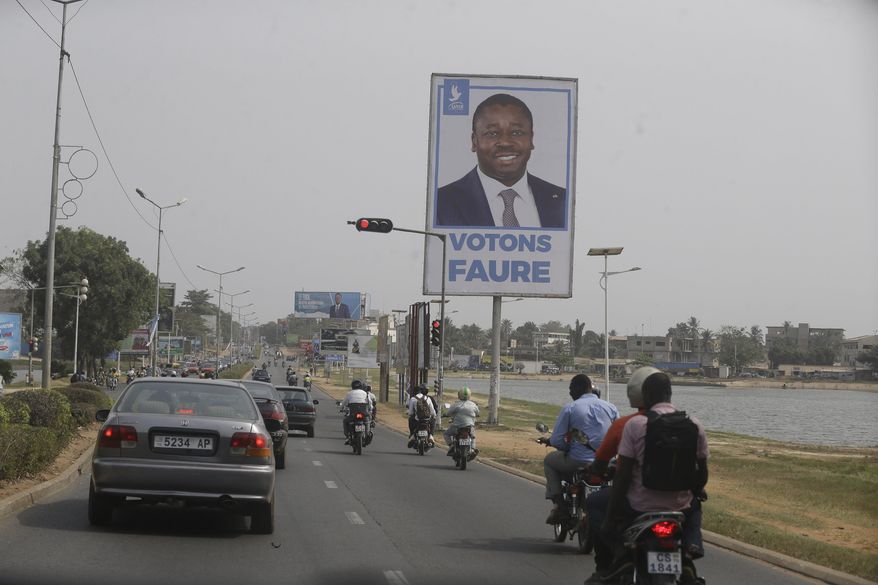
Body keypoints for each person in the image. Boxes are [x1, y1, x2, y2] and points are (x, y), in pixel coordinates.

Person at [600, 371, 709, 585]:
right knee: (696, 504)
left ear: (646, 396)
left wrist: (609, 518)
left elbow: (623, 475)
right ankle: (689, 551)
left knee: (605, 520)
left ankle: (613, 564)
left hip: (640, 506)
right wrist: (694, 491)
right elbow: (702, 473)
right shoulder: (694, 424)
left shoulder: (635, 425)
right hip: (680, 507)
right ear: (670, 392)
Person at [436, 93, 567, 228]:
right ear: (474, 141)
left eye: (516, 133)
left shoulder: (563, 201)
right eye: (492, 133)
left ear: (531, 139)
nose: (505, 142)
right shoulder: (440, 204)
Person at [583, 367, 656, 584]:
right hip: (678, 501)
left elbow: (602, 462)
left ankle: (605, 563)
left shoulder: (626, 424)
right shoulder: (686, 423)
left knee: (594, 502)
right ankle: (691, 548)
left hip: (635, 497)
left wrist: (596, 470)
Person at [540, 374, 618, 525]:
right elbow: (618, 435)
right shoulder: (611, 407)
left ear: (577, 389)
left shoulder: (570, 408)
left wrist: (567, 447)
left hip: (577, 461)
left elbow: (557, 440)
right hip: (606, 462)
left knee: (549, 461)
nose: (570, 393)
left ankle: (560, 506)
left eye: (570, 389)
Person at [443, 387, 480, 457]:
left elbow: (449, 413)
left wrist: (445, 415)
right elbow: (478, 413)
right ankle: (472, 449)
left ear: (459, 395)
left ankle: (451, 446)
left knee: (446, 434)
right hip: (469, 426)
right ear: (469, 395)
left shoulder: (456, 404)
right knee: (473, 437)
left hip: (457, 427)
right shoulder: (473, 404)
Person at [341, 379, 371, 444]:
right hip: (363, 413)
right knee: (367, 422)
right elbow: (369, 403)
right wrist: (370, 409)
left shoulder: (349, 393)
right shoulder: (364, 393)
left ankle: (347, 436)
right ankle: (367, 434)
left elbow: (344, 402)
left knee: (345, 421)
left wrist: (341, 408)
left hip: (353, 414)